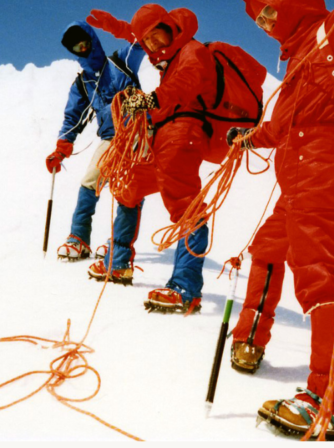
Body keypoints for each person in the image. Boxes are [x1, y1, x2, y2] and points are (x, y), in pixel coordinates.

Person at [227, 0, 334, 440]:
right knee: (267, 248)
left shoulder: (330, 33)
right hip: (299, 174)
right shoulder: (298, 59)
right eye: (259, 19)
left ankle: (327, 403)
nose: (265, 23)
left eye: (269, 9)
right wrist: (248, 138)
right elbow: (282, 125)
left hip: (323, 167)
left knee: (319, 278)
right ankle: (250, 338)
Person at [90, 5, 218, 313]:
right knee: (129, 186)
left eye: (155, 35)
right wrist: (114, 26)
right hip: (162, 131)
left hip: (186, 128)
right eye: (146, 40)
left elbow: (188, 83)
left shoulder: (192, 51)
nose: (152, 43)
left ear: (169, 26)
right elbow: (137, 35)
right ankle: (118, 264)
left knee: (184, 202)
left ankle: (185, 288)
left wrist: (150, 100)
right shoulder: (167, 54)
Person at [45, 19, 148, 285]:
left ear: (92, 40)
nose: (82, 48)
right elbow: (72, 118)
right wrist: (61, 149)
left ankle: (117, 244)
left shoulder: (121, 62)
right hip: (110, 138)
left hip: (138, 133)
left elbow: (141, 42)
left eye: (84, 42)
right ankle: (79, 238)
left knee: (128, 188)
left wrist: (120, 27)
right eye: (76, 47)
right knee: (90, 180)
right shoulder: (83, 83)